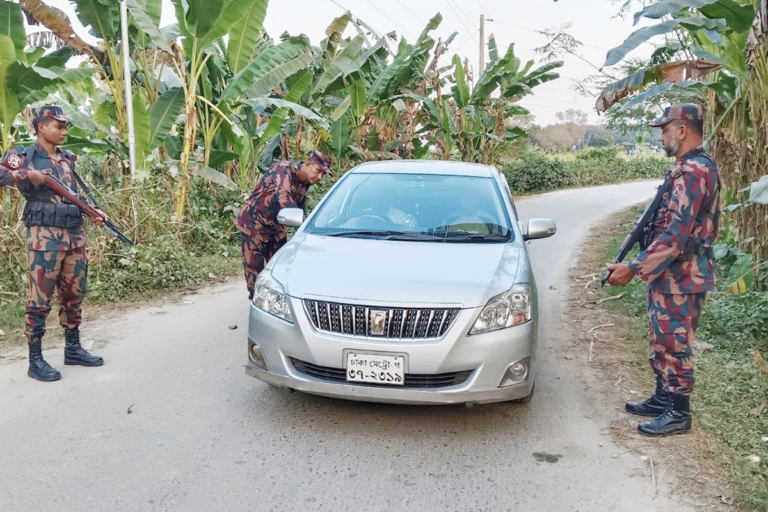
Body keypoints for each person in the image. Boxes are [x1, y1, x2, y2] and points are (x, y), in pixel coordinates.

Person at [607, 103, 720, 437]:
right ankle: (662, 398)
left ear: (682, 129)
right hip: (669, 274)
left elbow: (674, 237)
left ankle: (678, 413)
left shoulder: (694, 171)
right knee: (662, 338)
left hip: (683, 275)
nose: (661, 136)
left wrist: (632, 268)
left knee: (676, 343)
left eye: (664, 129)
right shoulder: (683, 167)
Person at [0, 106, 107, 382]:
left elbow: (74, 194)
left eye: (64, 126)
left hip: (74, 235)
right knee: (40, 300)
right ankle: (35, 360)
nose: (64, 131)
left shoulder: (67, 158)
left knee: (74, 294)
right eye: (58, 126)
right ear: (40, 126)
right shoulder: (23, 155)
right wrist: (27, 175)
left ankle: (73, 348)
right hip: (44, 240)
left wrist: (94, 210)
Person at [236, 150, 332, 300]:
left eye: (323, 174)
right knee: (255, 277)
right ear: (307, 164)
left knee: (282, 272)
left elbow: (300, 211)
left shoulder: (305, 182)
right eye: (318, 171)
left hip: (276, 228)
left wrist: (311, 233)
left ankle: (278, 310)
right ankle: (259, 311)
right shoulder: (283, 170)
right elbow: (285, 202)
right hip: (253, 225)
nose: (319, 177)